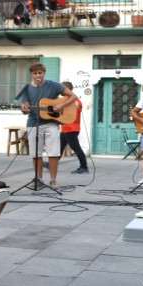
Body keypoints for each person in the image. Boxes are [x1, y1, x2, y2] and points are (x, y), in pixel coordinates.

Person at [16, 62, 77, 190]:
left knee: (53, 152)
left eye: (40, 73)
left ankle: (53, 180)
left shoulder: (53, 85)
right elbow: (25, 109)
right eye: (35, 73)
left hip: (52, 123)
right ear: (31, 74)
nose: (37, 75)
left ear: (44, 73)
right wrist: (24, 109)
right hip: (33, 123)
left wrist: (61, 106)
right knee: (36, 153)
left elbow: (73, 96)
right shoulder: (27, 88)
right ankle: (39, 179)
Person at [43, 82, 89, 174]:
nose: (61, 93)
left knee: (76, 148)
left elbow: (68, 114)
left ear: (67, 89)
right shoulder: (69, 100)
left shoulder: (73, 101)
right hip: (67, 128)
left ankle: (84, 167)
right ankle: (51, 164)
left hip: (71, 128)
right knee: (60, 147)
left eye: (62, 90)